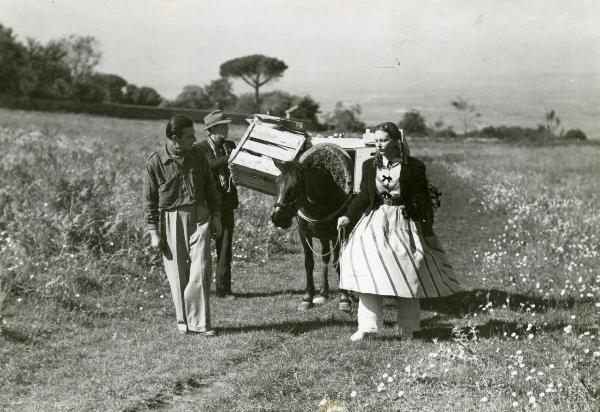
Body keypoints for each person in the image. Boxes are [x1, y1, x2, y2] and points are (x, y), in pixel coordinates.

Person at [337, 122, 461, 342]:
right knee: (368, 268)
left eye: (383, 140)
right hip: (374, 222)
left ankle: (409, 328)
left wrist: (425, 226)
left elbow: (422, 200)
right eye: (376, 140)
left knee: (409, 271)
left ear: (396, 141)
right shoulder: (368, 166)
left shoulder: (414, 167)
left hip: (404, 221)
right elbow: (364, 197)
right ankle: (366, 327)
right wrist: (348, 215)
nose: (379, 144)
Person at [144, 114, 222, 335]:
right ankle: (184, 322)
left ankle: (201, 323)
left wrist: (216, 216)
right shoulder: (155, 161)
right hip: (170, 219)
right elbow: (148, 200)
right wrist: (153, 232)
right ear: (175, 138)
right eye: (189, 136)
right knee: (177, 271)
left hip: (200, 217)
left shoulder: (199, 156)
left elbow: (211, 188)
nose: (194, 140)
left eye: (194, 135)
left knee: (202, 269)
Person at [196, 110, 239, 298]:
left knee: (225, 248)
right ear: (212, 129)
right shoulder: (200, 149)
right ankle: (199, 289)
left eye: (227, 125)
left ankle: (223, 289)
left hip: (227, 204)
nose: (227, 129)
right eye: (223, 126)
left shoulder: (230, 145)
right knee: (201, 248)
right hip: (207, 205)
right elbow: (210, 165)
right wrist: (232, 157)